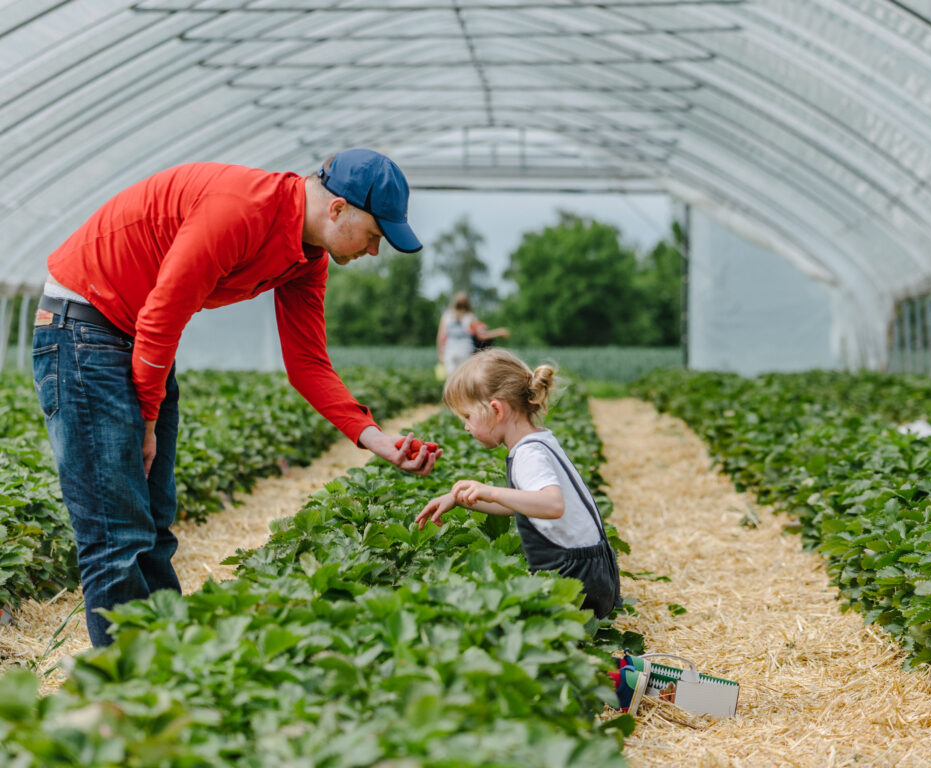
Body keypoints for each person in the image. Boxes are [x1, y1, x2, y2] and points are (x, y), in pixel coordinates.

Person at [32, 148, 442, 647]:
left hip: (131, 336)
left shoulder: (306, 259)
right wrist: (145, 419)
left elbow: (308, 363)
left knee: (154, 527)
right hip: (84, 326)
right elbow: (163, 313)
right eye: (375, 236)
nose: (373, 252)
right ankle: (124, 694)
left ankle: (167, 673)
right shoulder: (241, 208)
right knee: (117, 533)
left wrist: (376, 439)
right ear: (337, 210)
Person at [415, 349, 620, 618]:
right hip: (594, 572)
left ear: (496, 410)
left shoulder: (528, 454)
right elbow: (525, 505)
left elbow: (552, 505)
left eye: (467, 417)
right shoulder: (539, 440)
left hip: (577, 584)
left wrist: (491, 490)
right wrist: (461, 498)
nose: (466, 427)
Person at [436, 292, 509, 376]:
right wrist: (500, 332)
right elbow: (482, 335)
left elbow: (441, 337)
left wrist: (440, 353)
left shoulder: (447, 316)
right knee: (463, 380)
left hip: (450, 351)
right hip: (465, 351)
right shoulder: (470, 317)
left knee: (451, 380)